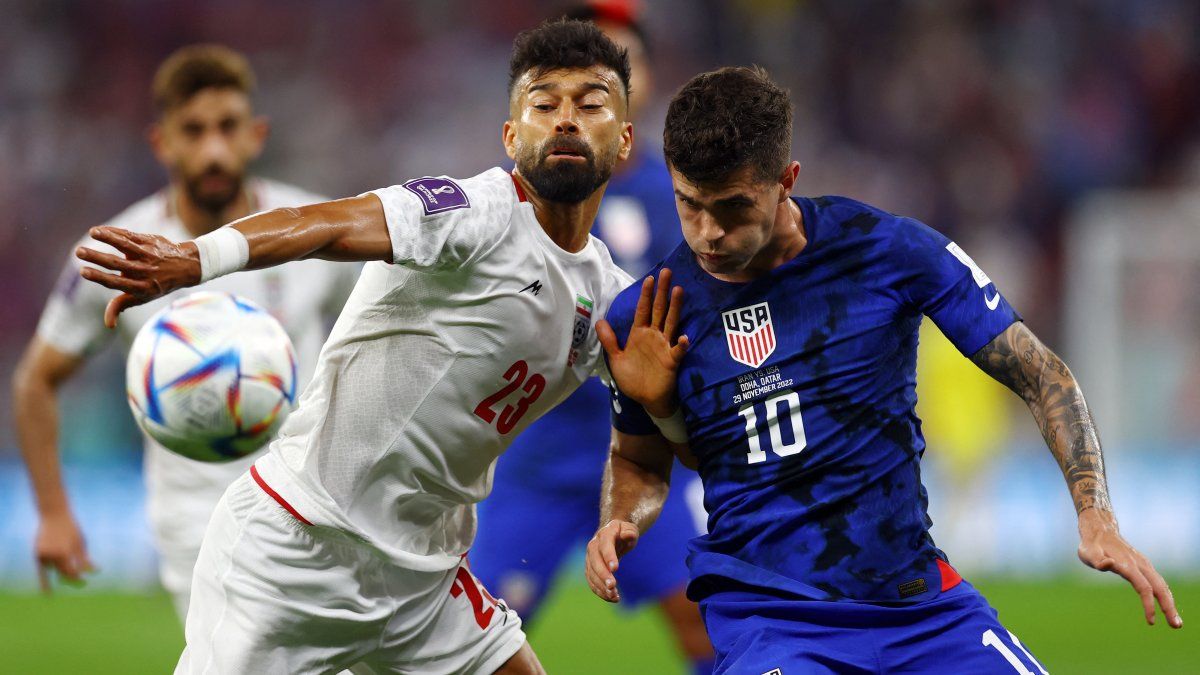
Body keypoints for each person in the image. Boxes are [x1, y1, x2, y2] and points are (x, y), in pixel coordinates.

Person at [76, 20, 636, 674]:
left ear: (623, 138)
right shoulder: (474, 212)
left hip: (425, 582)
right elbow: (333, 224)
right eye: (544, 104)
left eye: (591, 104)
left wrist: (621, 510)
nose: (566, 119)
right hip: (295, 548)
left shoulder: (612, 297)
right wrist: (199, 256)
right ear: (512, 136)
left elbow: (649, 424)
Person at [586, 66, 1183, 674]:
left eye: (734, 207)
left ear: (786, 182)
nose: (709, 232)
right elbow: (637, 460)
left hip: (919, 610)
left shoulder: (887, 251)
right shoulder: (651, 314)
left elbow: (1042, 374)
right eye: (690, 204)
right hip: (775, 623)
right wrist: (619, 520)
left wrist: (1096, 515)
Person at [12, 44, 356, 620]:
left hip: (313, 501)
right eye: (193, 131)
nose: (214, 150)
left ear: (257, 135)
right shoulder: (117, 253)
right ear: (162, 142)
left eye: (228, 127)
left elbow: (385, 337)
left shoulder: (312, 229)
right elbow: (35, 382)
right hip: (197, 522)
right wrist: (52, 513)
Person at [471, 4, 713, 671]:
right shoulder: (516, 195)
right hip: (536, 458)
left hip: (636, 453)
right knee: (468, 638)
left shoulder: (679, 202)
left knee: (705, 623)